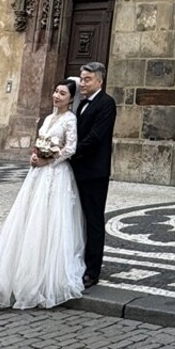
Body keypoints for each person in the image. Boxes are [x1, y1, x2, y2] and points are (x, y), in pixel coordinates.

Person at [0, 79, 85, 310]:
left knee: (49, 218)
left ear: (71, 99)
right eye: (55, 91)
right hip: (37, 174)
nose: (56, 96)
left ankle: (45, 273)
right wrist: (34, 155)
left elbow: (70, 148)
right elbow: (41, 141)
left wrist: (49, 159)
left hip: (55, 174)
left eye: (62, 93)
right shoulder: (48, 118)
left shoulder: (70, 119)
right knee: (28, 215)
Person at [69, 63, 116, 289]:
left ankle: (93, 270)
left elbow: (96, 137)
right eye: (82, 78)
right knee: (77, 218)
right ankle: (77, 261)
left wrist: (70, 152)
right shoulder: (80, 105)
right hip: (78, 168)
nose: (82, 83)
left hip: (95, 171)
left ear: (99, 81)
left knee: (94, 220)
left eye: (87, 79)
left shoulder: (106, 103)